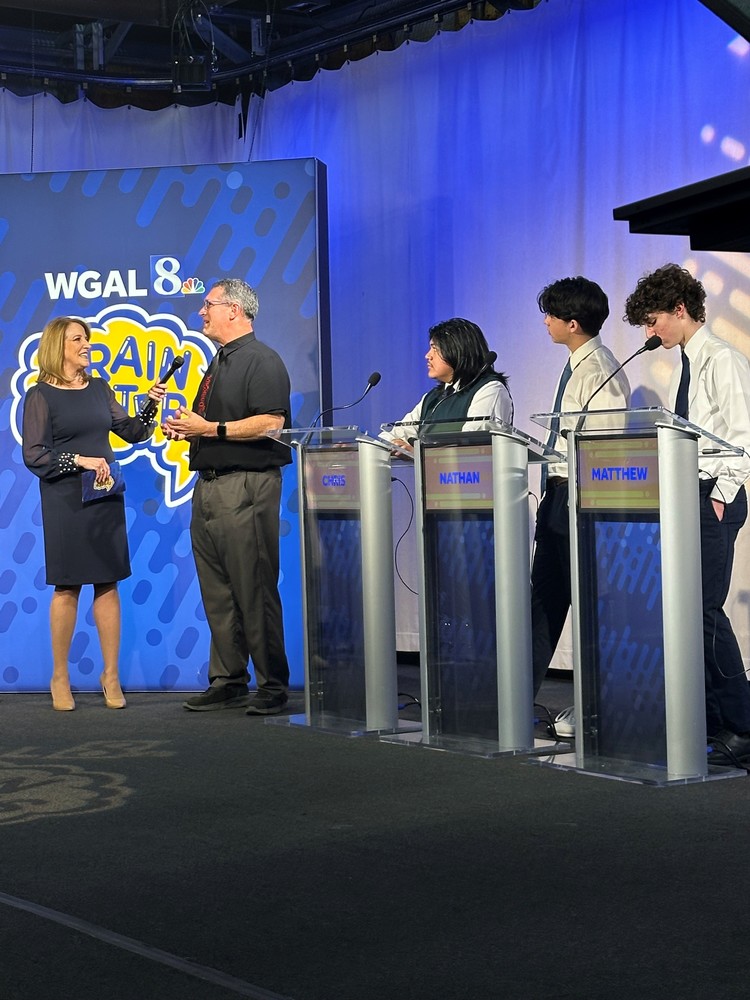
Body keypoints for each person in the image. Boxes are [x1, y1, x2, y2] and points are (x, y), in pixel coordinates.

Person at [624, 263, 750, 764]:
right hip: (687, 498)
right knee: (687, 612)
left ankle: (741, 727)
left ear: (681, 309)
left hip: (713, 499)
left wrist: (718, 497)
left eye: (654, 320)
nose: (651, 333)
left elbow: (742, 440)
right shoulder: (689, 363)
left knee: (704, 612)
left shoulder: (722, 360)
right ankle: (714, 723)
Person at [161, 278, 292, 715]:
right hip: (210, 487)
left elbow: (272, 423)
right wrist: (187, 428)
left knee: (254, 587)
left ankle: (272, 685)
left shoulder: (262, 360)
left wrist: (209, 429)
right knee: (217, 590)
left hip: (246, 486)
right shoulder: (217, 363)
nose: (202, 312)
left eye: (208, 304)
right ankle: (229, 678)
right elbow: (213, 423)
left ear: (234, 310)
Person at [22, 316, 159, 711]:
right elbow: (34, 455)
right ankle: (60, 675)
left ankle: (110, 675)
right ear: (57, 347)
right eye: (78, 339)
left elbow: (133, 431)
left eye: (87, 338)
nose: (87, 344)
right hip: (65, 501)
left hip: (103, 499)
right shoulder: (40, 396)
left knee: (107, 582)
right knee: (67, 587)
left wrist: (150, 405)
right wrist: (79, 459)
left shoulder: (99, 388)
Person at [531, 277, 631, 735]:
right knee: (543, 602)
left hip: (582, 496)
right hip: (557, 492)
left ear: (573, 323)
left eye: (551, 314)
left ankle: (599, 706)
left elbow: (606, 450)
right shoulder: (574, 364)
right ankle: (515, 698)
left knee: (590, 605)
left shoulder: (600, 370)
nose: (545, 321)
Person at [381, 317, 513, 452]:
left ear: (458, 350)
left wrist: (416, 453)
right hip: (434, 473)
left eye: (435, 349)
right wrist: (392, 443)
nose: (428, 355)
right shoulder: (432, 398)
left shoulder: (490, 389)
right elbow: (394, 434)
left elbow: (471, 446)